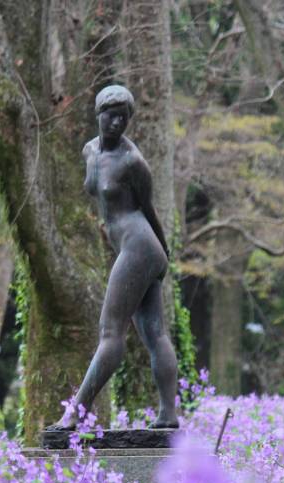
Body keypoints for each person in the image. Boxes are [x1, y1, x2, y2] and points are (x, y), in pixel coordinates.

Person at [47, 85, 179, 431]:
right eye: (111, 115)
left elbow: (148, 210)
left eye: (124, 117)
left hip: (140, 245)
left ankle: (75, 414)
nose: (117, 122)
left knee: (111, 332)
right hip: (130, 248)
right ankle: (168, 416)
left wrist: (162, 256)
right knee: (153, 333)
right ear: (98, 113)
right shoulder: (89, 150)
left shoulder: (133, 161)